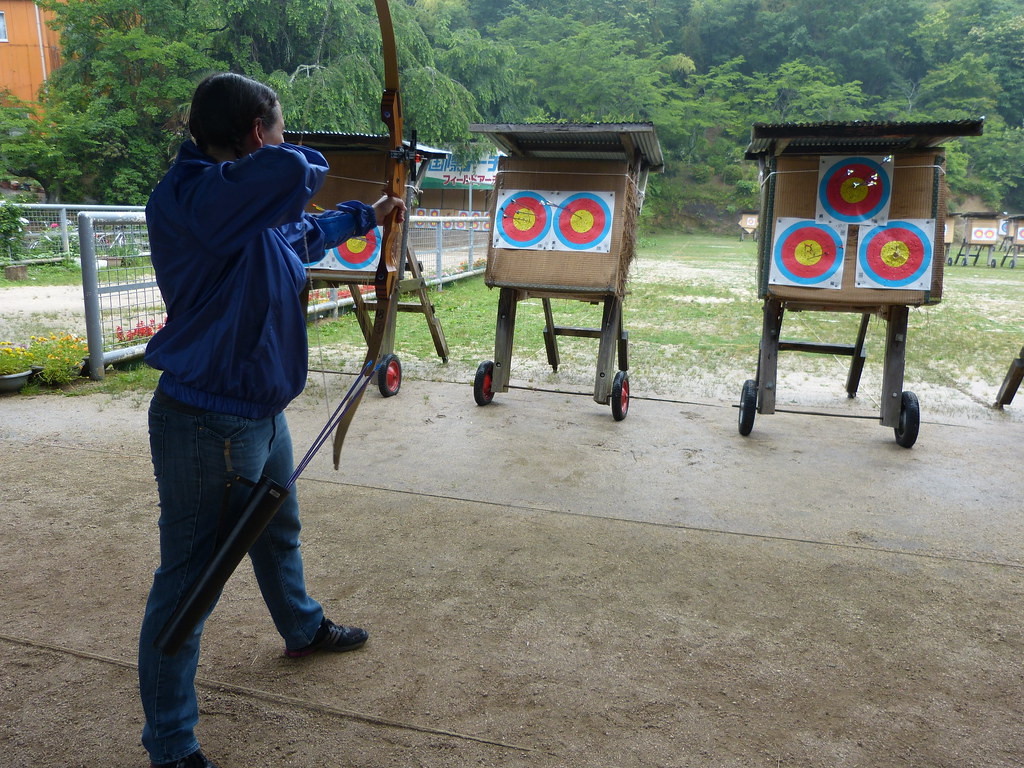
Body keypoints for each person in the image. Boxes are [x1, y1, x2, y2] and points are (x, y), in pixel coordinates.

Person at [137, 72, 405, 768]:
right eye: (279, 127)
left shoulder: (241, 204)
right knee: (191, 582)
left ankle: (301, 628)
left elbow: (299, 232)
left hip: (259, 409)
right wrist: (283, 152)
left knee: (276, 530)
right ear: (258, 135)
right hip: (206, 423)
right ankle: (170, 742)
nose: (290, 141)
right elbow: (292, 171)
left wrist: (366, 218)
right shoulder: (196, 199)